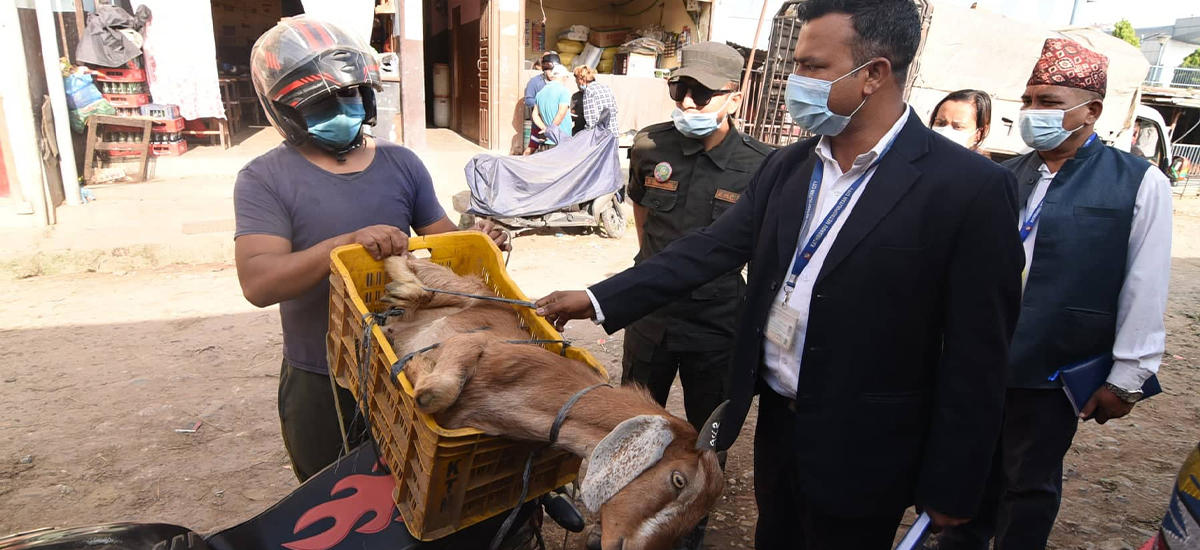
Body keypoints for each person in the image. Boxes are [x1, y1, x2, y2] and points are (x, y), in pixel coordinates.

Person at [536, 0, 1025, 547]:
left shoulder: (969, 188)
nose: (795, 80)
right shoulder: (790, 167)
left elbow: (978, 353)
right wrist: (596, 299)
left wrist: (956, 482)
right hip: (779, 422)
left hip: (868, 443)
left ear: (873, 75)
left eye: (812, 67)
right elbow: (710, 248)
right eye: (795, 64)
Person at [234, 17, 510, 483]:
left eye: (349, 95)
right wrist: (343, 245)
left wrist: (481, 240)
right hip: (322, 376)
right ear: (284, 110)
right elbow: (259, 284)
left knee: (417, 490)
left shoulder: (401, 163)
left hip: (412, 364)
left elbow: (442, 247)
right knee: (333, 498)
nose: (340, 108)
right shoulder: (263, 179)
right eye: (321, 102)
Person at [938, 38, 1172, 550]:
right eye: (1026, 101)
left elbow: (1145, 281)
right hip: (984, 357)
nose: (1031, 113)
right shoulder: (1004, 175)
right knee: (968, 470)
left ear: (1090, 111)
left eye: (1047, 102)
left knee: (1028, 483)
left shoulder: (1137, 181)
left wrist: (1130, 375)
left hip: (1054, 365)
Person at [613, 41, 771, 550]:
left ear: (734, 97)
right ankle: (624, 525)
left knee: (709, 442)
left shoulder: (760, 166)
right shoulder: (649, 146)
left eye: (701, 94)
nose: (686, 103)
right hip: (651, 319)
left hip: (717, 324)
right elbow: (643, 216)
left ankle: (685, 534)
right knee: (635, 432)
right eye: (679, 88)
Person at [929, 89, 991, 153]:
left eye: (958, 126)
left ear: (979, 133)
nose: (945, 132)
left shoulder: (978, 163)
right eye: (940, 123)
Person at [531, 64, 574, 150]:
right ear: (564, 77)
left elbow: (534, 115)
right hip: (561, 140)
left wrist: (545, 128)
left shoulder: (540, 93)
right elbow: (561, 112)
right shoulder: (564, 91)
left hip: (546, 141)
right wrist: (551, 129)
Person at [523, 51, 558, 153]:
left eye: (554, 71)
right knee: (532, 147)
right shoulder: (535, 82)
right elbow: (528, 99)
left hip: (554, 123)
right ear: (544, 69)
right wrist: (542, 105)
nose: (552, 74)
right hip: (538, 124)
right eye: (549, 71)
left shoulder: (558, 82)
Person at [574, 65, 620, 135]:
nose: (578, 85)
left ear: (581, 80)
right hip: (613, 133)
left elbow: (590, 120)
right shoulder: (606, 87)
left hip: (600, 136)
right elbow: (615, 110)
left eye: (577, 82)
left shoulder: (589, 91)